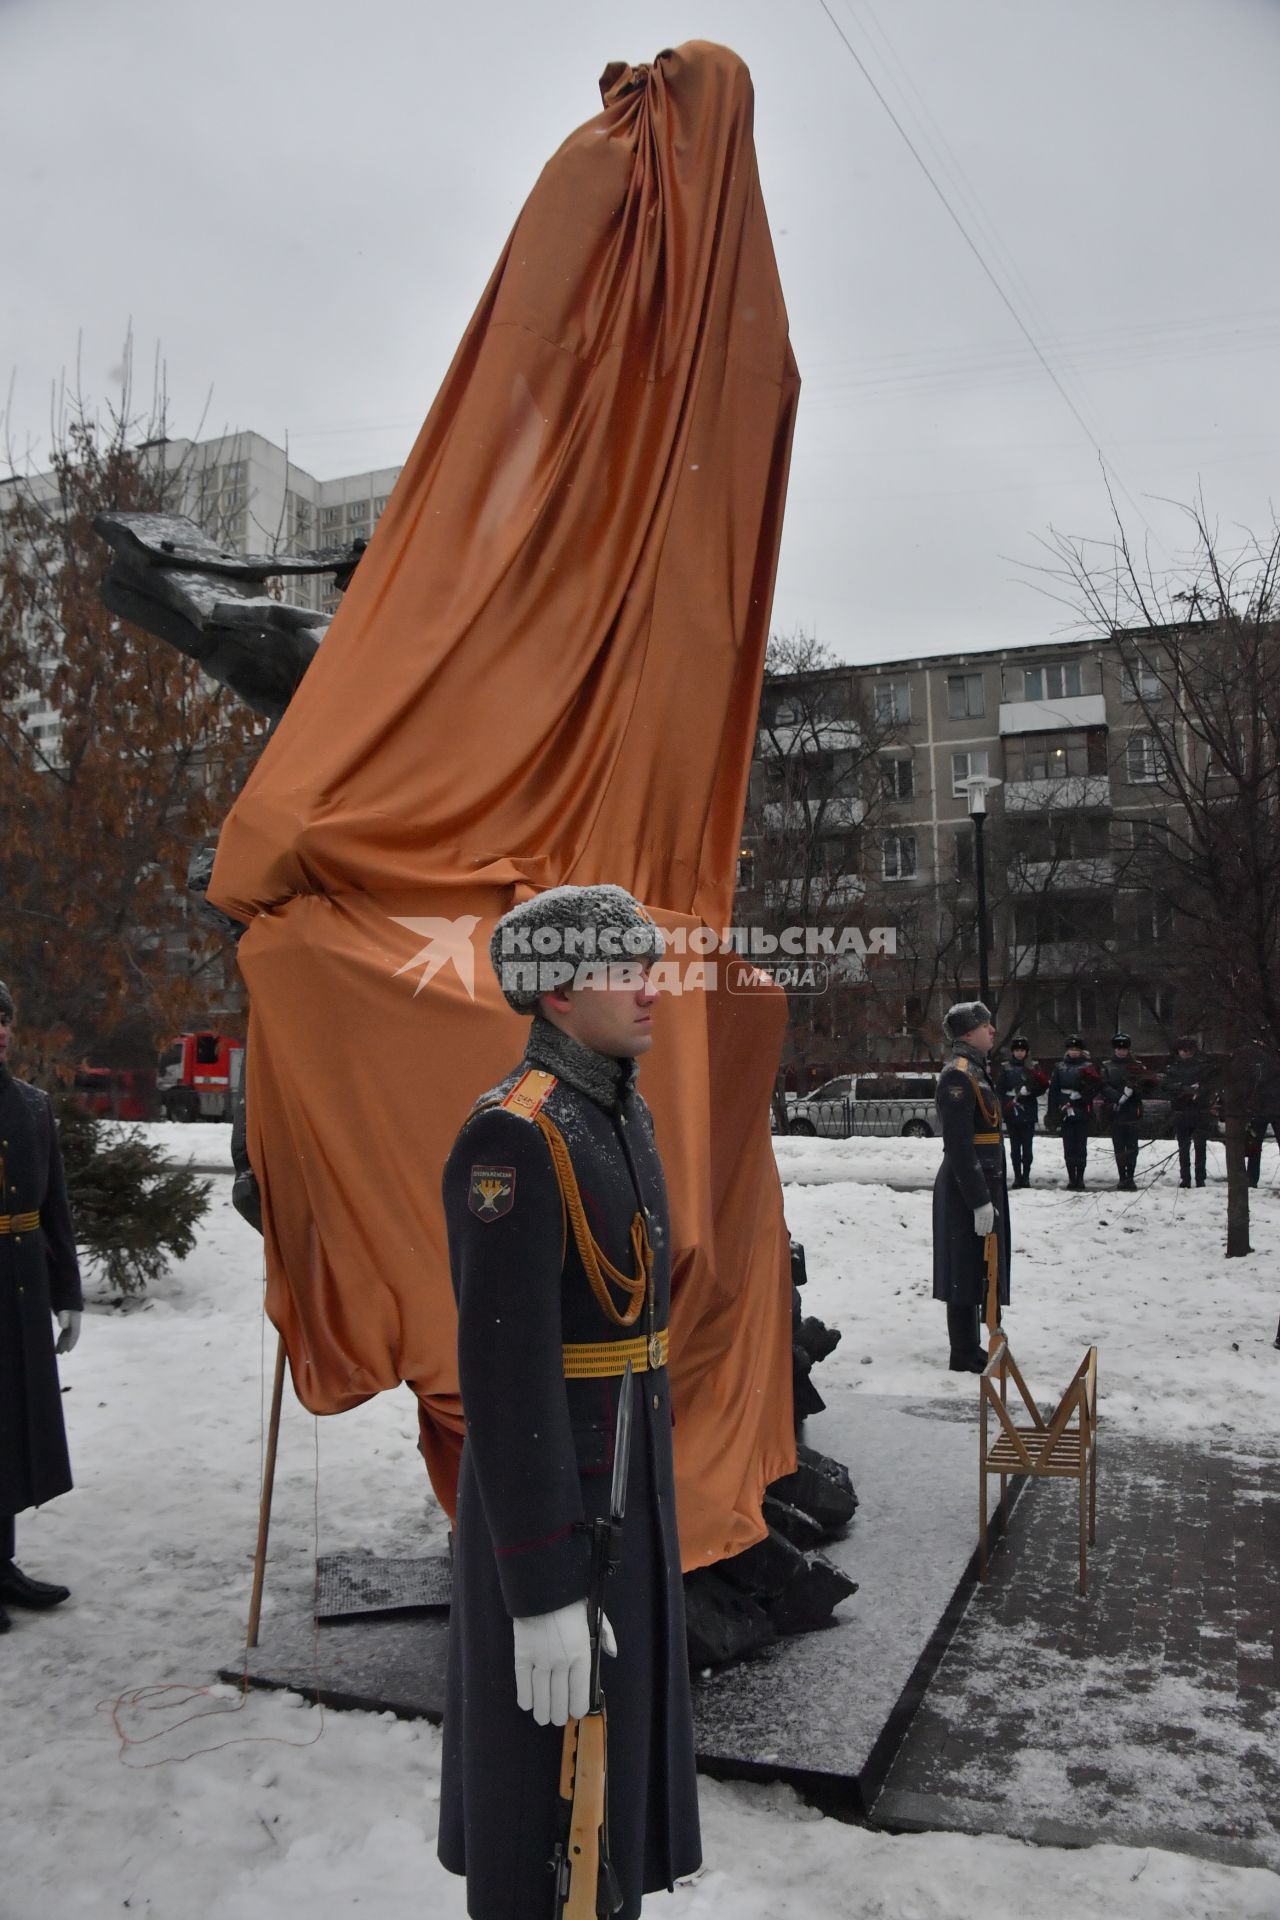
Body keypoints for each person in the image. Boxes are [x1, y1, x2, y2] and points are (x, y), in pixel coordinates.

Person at [438, 885, 700, 1920]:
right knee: (541, 1806)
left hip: (624, 1485)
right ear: (553, 993)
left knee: (609, 1779)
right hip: (560, 1509)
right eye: (618, 969)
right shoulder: (514, 1138)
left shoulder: (614, 1110)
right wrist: (539, 1589)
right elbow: (503, 1386)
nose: (650, 987)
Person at [0, 979, 83, 1634]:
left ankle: (3, 1564)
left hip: (22, 1286)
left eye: (4, 1018)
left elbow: (55, 1207)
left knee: (14, 1425)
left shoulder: (32, 1106)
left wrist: (68, 1296)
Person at [932, 1001, 1010, 1372]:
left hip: (982, 1179)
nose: (992, 1031)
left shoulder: (977, 1072)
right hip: (968, 1185)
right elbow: (960, 1145)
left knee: (980, 1263)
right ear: (967, 1034)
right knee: (963, 1266)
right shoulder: (959, 1076)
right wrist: (978, 1200)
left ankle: (972, 1346)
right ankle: (963, 1351)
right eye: (985, 1025)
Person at [1097, 1033, 1152, 1191]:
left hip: (1132, 1110)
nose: (1121, 1051)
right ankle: (1122, 1177)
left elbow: (1147, 1088)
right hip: (1115, 1111)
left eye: (1124, 1048)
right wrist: (1118, 1097)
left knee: (1132, 1147)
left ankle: (1130, 1177)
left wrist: (1133, 1091)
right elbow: (1103, 1086)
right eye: (1119, 1048)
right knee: (1119, 1146)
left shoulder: (1137, 1066)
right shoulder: (1107, 1066)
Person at [1162, 1035, 1218, 1188]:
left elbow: (1210, 1085)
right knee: (1183, 1148)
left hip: (1199, 1110)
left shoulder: (1203, 1067)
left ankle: (1200, 1178)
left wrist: (1199, 1090)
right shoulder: (1173, 1067)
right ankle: (1185, 1177)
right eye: (1182, 1050)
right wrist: (1181, 1089)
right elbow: (1166, 1087)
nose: (1184, 1053)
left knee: (1200, 1146)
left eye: (1187, 1050)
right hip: (1181, 1110)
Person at [1047, 1036, 1100, 1190]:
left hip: (1082, 1109)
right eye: (1072, 1049)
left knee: (1080, 1146)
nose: (1074, 1052)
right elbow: (1053, 1091)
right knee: (1068, 1145)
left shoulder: (1088, 1066)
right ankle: (1071, 1178)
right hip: (1064, 1110)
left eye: (1077, 1050)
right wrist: (1053, 1112)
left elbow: (1094, 1088)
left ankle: (1080, 1178)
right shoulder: (1060, 1067)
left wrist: (1082, 1097)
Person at [995, 1037, 1048, 1188]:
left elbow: (1043, 1086)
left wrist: (1030, 1090)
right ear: (1013, 1052)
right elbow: (999, 1089)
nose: (1020, 1053)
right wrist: (1006, 1103)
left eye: (1022, 1050)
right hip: (1012, 1110)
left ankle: (1026, 1176)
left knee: (1027, 1146)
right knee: (1015, 1147)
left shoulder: (1033, 1067)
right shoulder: (1006, 1068)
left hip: (1028, 1109)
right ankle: (1017, 1176)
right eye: (1017, 1050)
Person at [1236, 1039, 1280, 1187]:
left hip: (1262, 1108)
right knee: (1254, 1146)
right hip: (1261, 1108)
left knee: (1254, 1146)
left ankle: (1251, 1179)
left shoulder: (1256, 1061)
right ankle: (1251, 1179)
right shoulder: (1257, 1061)